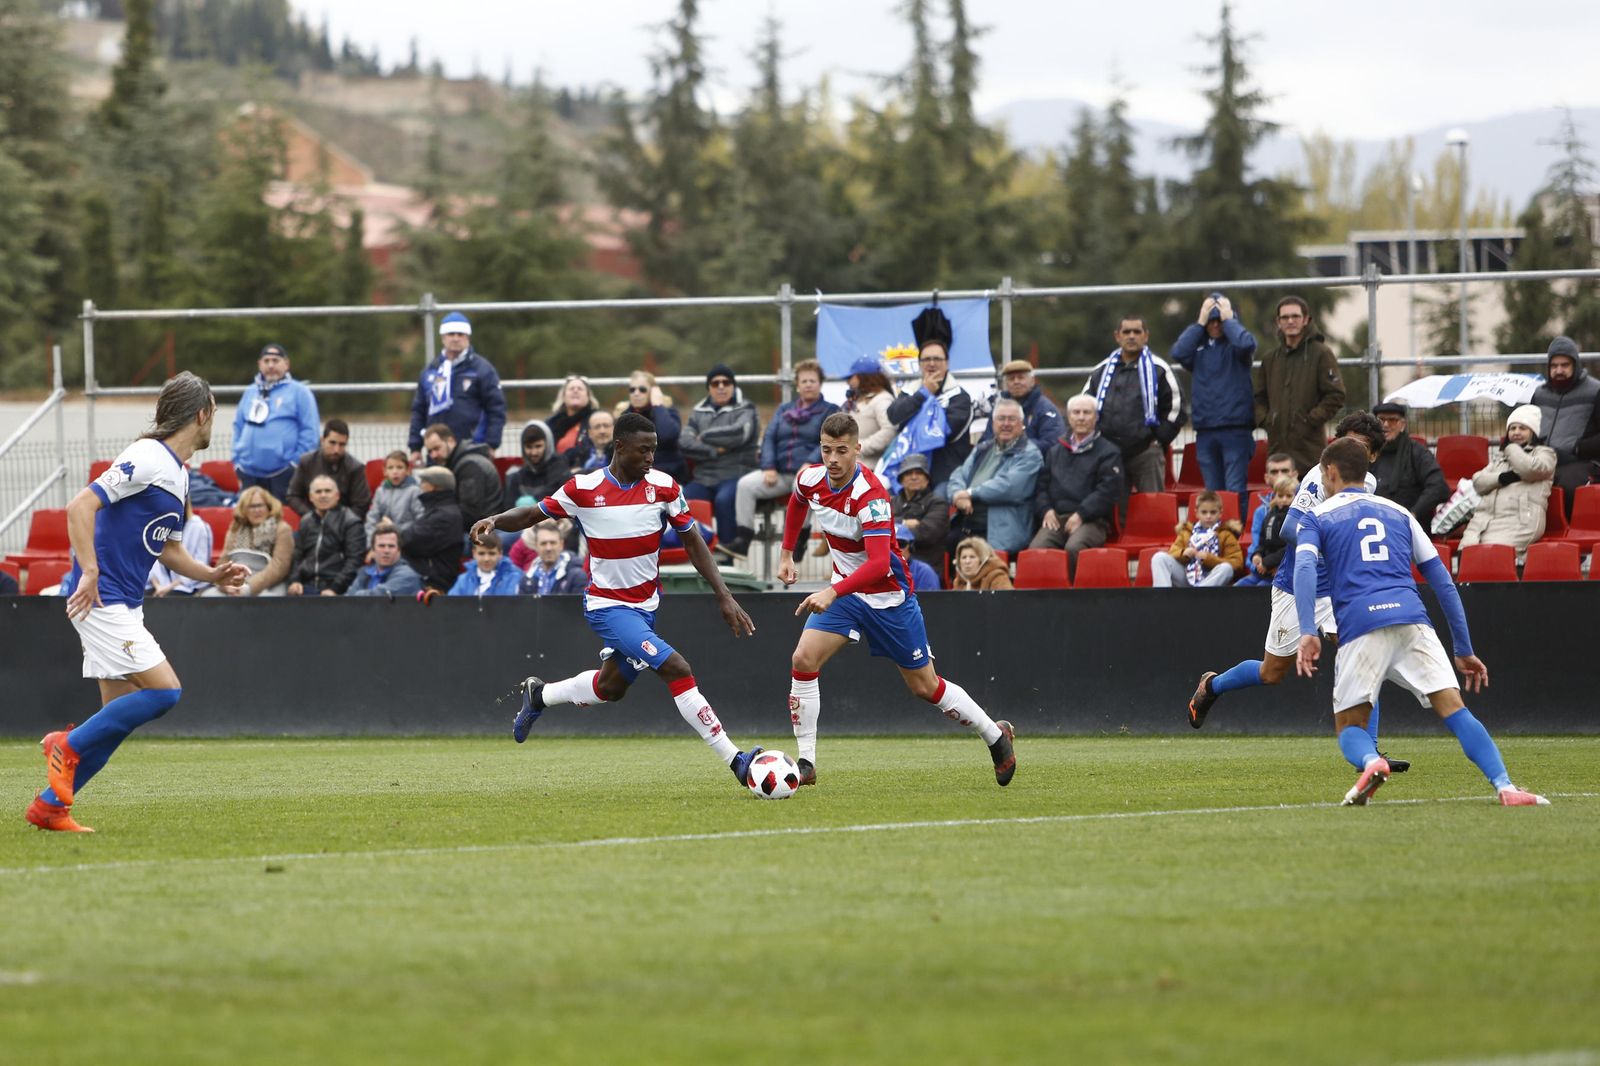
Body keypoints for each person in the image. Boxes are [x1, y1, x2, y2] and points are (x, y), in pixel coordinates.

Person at [473, 411, 765, 790]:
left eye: (654, 451)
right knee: (677, 667)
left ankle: (540, 694)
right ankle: (736, 760)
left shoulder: (665, 488)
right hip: (606, 607)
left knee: (610, 688)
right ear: (619, 447)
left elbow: (693, 540)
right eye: (643, 451)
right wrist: (495, 520)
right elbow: (531, 513)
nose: (650, 458)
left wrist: (723, 595)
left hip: (646, 608)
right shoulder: (583, 489)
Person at [30, 372, 248, 833]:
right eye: (214, 413)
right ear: (202, 414)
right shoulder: (147, 455)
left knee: (116, 721)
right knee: (165, 691)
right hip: (102, 598)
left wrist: (211, 573)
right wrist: (88, 571)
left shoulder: (179, 473)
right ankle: (65, 746)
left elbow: (168, 548)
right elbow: (79, 507)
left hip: (124, 602)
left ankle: (51, 807)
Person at [1293, 437, 1547, 807]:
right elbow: (1443, 581)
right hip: (1413, 618)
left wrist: (1306, 630)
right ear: (1367, 472)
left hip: (1361, 622)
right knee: (1455, 710)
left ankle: (1371, 762)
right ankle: (1506, 786)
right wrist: (1463, 648)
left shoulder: (1317, 516)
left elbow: (1302, 567)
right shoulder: (1400, 513)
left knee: (1350, 726)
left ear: (1329, 473)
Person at [776, 411, 1015, 788]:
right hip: (845, 593)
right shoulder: (811, 477)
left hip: (887, 597)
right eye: (826, 450)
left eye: (841, 451)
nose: (833, 459)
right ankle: (806, 763)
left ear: (858, 449)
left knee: (925, 686)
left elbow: (875, 564)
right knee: (803, 659)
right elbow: (796, 502)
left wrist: (832, 590)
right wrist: (787, 553)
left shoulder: (871, 497)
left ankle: (995, 736)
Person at [1184, 413, 1411, 773]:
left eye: (1361, 446)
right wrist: (1330, 547)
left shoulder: (1368, 483)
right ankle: (1212, 686)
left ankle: (1370, 754)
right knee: (1272, 672)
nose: (1350, 450)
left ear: (1371, 456)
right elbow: (1291, 529)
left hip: (1337, 587)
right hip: (1298, 583)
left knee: (1364, 654)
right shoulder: (1318, 475)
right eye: (1346, 441)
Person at [723, 360, 838, 559]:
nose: (808, 384)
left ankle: (797, 542)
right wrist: (768, 466)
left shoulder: (830, 411)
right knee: (745, 485)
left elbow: (829, 441)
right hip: (779, 472)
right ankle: (743, 540)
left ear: (820, 384)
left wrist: (811, 463)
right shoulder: (784, 409)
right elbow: (769, 437)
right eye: (804, 381)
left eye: (813, 380)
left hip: (810, 470)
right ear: (797, 385)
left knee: (800, 486)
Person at [1080, 315, 1185, 498]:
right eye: (1126, 332)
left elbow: (1176, 409)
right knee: (1114, 510)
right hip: (1109, 453)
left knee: (1153, 509)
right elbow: (1083, 406)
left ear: (1146, 336)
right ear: (1117, 336)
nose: (1131, 336)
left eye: (1137, 332)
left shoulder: (1160, 369)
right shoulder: (1101, 371)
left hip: (1146, 453)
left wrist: (1159, 440)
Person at [1169, 293, 1258, 505]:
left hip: (1236, 428)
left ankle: (1234, 534)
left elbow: (1248, 344)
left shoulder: (1238, 349)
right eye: (1212, 321)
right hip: (1206, 429)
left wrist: (1230, 320)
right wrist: (1199, 323)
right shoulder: (1198, 350)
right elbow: (1178, 352)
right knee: (1212, 493)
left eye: (1220, 321)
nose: (1216, 325)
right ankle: (1215, 535)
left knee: (1235, 489)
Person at [884, 306, 975, 497]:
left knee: (938, 502)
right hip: (909, 472)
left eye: (937, 359)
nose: (931, 364)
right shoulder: (912, 390)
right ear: (919, 364)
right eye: (926, 359)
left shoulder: (960, 397)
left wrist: (913, 417)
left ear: (947, 363)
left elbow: (941, 434)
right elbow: (893, 416)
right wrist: (923, 394)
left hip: (945, 476)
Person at [1254, 296, 1346, 475]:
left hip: (1309, 449)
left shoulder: (1321, 354)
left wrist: (1310, 420)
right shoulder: (1270, 359)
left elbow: (1336, 395)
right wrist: (1268, 421)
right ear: (1278, 322)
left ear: (1306, 320)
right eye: (1285, 317)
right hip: (1277, 450)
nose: (1290, 321)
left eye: (1295, 316)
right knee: (1280, 501)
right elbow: (1259, 397)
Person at [1028, 395, 1124, 564]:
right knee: (1037, 550)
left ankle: (1076, 590)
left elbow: (1107, 491)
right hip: (1056, 519)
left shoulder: (1109, 452)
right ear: (1069, 417)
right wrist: (1046, 510)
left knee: (1074, 547)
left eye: (1086, 413)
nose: (1081, 417)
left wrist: (1081, 514)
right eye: (1076, 412)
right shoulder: (1055, 451)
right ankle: (1048, 591)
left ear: (1096, 417)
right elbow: (1041, 486)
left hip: (1092, 520)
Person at [945, 398, 1043, 556]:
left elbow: (1009, 487)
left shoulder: (1029, 454)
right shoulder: (982, 448)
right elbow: (958, 474)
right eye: (1001, 419)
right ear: (993, 423)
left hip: (1000, 533)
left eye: (1012, 419)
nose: (1006, 424)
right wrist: (957, 495)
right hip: (967, 526)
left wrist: (970, 493)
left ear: (1022, 424)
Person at [1459, 405, 1557, 560]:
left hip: (1521, 520)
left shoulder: (1545, 453)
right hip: (1485, 521)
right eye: (1512, 428)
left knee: (1492, 555)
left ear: (1533, 432)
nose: (1516, 432)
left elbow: (1530, 469)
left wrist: (1511, 448)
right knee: (1468, 556)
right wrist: (1501, 478)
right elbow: (1478, 481)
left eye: (1523, 428)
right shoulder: (1500, 458)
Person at [679, 363, 760, 545]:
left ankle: (727, 556)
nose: (721, 386)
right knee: (685, 499)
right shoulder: (698, 412)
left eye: (726, 382)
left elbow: (739, 433)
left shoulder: (747, 409)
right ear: (709, 388)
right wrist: (714, 451)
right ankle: (696, 555)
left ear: (733, 386)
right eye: (716, 383)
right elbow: (684, 442)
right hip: (703, 477)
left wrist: (703, 436)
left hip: (736, 474)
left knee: (724, 501)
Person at [408, 312, 507, 461]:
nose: (455, 338)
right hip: (436, 451)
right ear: (443, 337)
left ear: (468, 337)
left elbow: (496, 409)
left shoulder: (482, 370)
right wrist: (415, 447)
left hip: (472, 448)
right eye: (451, 334)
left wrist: (492, 443)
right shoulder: (431, 371)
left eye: (460, 334)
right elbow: (419, 410)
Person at [231, 343, 320, 503]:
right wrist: (237, 462)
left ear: (286, 364)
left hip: (283, 475)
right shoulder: (250, 392)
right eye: (266, 360)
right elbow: (238, 427)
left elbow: (310, 433)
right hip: (249, 473)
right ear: (259, 364)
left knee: (280, 523)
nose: (271, 365)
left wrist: (294, 465)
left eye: (275, 360)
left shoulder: (300, 392)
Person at [1531, 336, 1599, 517]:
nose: (1559, 370)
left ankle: (1565, 537)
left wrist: (1577, 448)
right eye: (1554, 366)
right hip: (1541, 460)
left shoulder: (1595, 391)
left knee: (1565, 486)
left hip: (1580, 461)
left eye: (1565, 365)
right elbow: (1528, 427)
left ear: (1575, 365)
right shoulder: (1539, 394)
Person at [1369, 402, 1449, 525]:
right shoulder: (1368, 453)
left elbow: (1438, 487)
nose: (1385, 424)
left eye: (1392, 420)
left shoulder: (1417, 452)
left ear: (1402, 425)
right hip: (1372, 521)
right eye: (1381, 420)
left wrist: (1413, 513)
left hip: (1408, 524)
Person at [285, 475, 364, 596]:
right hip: (306, 586)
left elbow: (354, 561)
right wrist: (294, 580)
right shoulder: (306, 521)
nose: (323, 495)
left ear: (337, 496)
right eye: (318, 491)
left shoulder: (351, 521)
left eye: (328, 491)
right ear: (311, 497)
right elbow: (297, 555)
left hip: (339, 589)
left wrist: (335, 588)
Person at [209, 486, 294, 597]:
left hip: (268, 584)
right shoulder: (235, 529)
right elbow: (223, 561)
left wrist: (249, 587)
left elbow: (280, 567)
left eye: (260, 505)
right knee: (209, 595)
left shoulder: (282, 529)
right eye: (251, 506)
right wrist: (225, 585)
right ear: (244, 509)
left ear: (269, 507)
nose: (256, 510)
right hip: (234, 583)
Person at [1150, 491, 1242, 588]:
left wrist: (1209, 559)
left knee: (1226, 568)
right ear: (1196, 513)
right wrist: (1183, 553)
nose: (1208, 516)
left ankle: (1198, 596)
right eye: (1204, 512)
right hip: (1186, 576)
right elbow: (1172, 552)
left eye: (1213, 512)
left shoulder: (1226, 534)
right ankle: (1161, 599)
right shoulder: (1186, 532)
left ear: (1220, 513)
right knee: (1159, 557)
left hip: (1211, 578)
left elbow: (1237, 564)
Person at [285, 418, 371, 518]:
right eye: (332, 443)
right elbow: (293, 496)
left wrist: (340, 522)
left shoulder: (355, 468)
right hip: (311, 520)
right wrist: (311, 516)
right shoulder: (306, 462)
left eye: (342, 444)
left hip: (344, 526)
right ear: (322, 440)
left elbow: (361, 504)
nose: (336, 450)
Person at [423, 422, 501, 530]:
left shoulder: (469, 466)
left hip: (487, 529)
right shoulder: (460, 462)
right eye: (430, 451)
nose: (433, 455)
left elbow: (470, 514)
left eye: (437, 448)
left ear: (451, 441)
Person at [402, 467, 466, 594]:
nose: (420, 486)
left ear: (432, 486)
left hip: (433, 581)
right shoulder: (439, 511)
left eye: (423, 482)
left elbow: (408, 541)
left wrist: (393, 531)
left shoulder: (444, 516)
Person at [615, 370, 687, 482]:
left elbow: (667, 436)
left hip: (669, 473)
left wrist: (658, 405)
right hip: (635, 475)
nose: (636, 393)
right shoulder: (625, 416)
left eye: (642, 389)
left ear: (653, 392)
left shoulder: (668, 412)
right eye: (632, 390)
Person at [980, 360, 1064, 454]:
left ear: (1032, 381)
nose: (1016, 382)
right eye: (1011, 378)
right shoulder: (999, 409)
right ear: (1006, 383)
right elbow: (986, 440)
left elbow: (1052, 444)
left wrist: (1015, 446)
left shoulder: (1046, 410)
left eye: (1021, 378)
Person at [889, 454, 949, 575]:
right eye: (908, 473)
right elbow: (877, 526)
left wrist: (893, 527)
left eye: (919, 473)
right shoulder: (891, 502)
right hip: (890, 565)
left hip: (925, 567)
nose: (914, 477)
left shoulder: (938, 503)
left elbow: (926, 533)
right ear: (901, 479)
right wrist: (904, 523)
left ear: (927, 479)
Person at [1236, 476, 1297, 587]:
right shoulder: (1270, 515)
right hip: (1264, 570)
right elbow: (1263, 542)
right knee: (1239, 587)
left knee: (1261, 589)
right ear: (1274, 496)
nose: (1284, 500)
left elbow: (1290, 547)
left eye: (1288, 496)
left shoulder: (1296, 519)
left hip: (1284, 571)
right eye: (1280, 496)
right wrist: (1257, 555)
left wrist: (1267, 563)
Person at [502, 420, 573, 513]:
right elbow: (508, 509)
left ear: (548, 445)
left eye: (538, 446)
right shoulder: (516, 477)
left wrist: (533, 502)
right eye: (529, 447)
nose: (534, 453)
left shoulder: (561, 469)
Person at [844, 355, 899, 465]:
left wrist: (858, 448)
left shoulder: (882, 399)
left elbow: (889, 431)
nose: (848, 382)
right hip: (853, 466)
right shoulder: (856, 400)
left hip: (869, 469)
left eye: (851, 377)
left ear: (863, 377)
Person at [346, 522, 424, 598]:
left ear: (399, 550)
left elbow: (376, 599)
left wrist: (357, 594)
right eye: (381, 546)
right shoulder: (365, 573)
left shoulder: (407, 576)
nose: (386, 550)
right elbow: (346, 601)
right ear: (373, 550)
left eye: (391, 546)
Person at [146, 512, 214, 597]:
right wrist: (158, 586)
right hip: (158, 586)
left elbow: (201, 564)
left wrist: (169, 587)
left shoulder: (199, 526)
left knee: (170, 598)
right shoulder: (155, 524)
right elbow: (149, 560)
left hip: (188, 585)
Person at [365, 450, 423, 544]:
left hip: (406, 543)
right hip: (382, 542)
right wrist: (371, 545)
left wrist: (393, 528)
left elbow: (420, 521)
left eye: (399, 467)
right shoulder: (380, 491)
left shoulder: (414, 491)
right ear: (385, 471)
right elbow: (372, 519)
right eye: (390, 468)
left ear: (407, 470)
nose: (395, 472)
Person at [519, 520, 588, 596]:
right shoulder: (526, 579)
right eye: (543, 543)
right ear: (536, 546)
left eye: (553, 543)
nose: (548, 548)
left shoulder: (576, 576)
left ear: (561, 544)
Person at [1247, 452, 1299, 548]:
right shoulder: (1261, 512)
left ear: (1295, 475)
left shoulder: (1306, 506)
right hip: (1266, 560)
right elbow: (1256, 546)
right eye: (1274, 472)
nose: (1280, 475)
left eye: (1285, 471)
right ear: (1266, 478)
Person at [448, 538, 523, 598]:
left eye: (492, 553)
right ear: (474, 553)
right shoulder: (464, 580)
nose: (486, 559)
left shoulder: (516, 577)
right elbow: (452, 607)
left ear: (500, 554)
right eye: (481, 553)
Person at [547, 375, 595, 460]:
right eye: (571, 388)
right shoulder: (551, 423)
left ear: (588, 396)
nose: (575, 391)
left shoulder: (596, 420)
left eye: (580, 388)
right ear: (563, 396)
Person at [895, 523, 942, 592]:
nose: (895, 549)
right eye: (890, 545)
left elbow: (932, 601)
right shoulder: (876, 572)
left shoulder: (924, 572)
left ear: (911, 547)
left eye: (901, 544)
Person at [570, 409, 615, 474]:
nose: (602, 431)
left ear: (614, 429)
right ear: (589, 432)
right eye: (597, 427)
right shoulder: (575, 454)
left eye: (606, 426)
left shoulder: (624, 454)